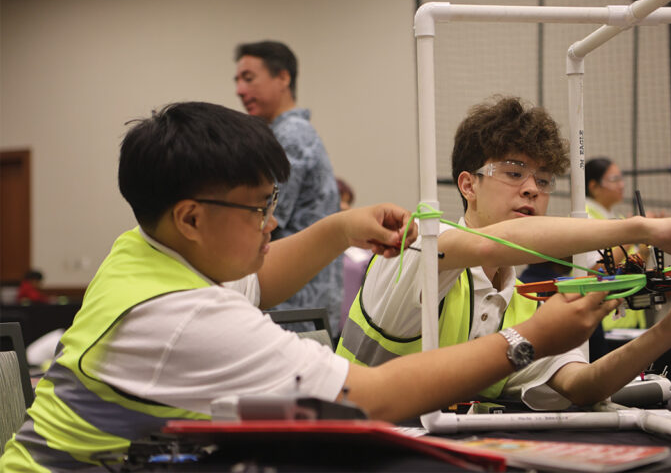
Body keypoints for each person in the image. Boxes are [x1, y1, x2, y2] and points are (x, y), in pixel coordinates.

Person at [1, 101, 620, 471]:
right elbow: (371, 399)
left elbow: (259, 280)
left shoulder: (144, 250)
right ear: (191, 217)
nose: (273, 222)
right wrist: (527, 338)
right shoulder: (184, 316)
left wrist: (338, 227)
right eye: (259, 208)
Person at [337, 96, 671, 410]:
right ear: (468, 185)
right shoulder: (420, 249)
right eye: (514, 173)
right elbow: (492, 242)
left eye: (544, 180)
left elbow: (583, 386)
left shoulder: (526, 298)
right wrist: (644, 228)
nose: (532, 188)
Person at [234, 40, 342, 334]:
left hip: (294, 306)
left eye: (249, 78)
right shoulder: (290, 133)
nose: (240, 90)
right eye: (237, 81)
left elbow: (259, 217)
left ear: (283, 78)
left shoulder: (289, 137)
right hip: (306, 299)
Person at [584, 157, 655, 333]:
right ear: (593, 186)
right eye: (614, 179)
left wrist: (649, 243)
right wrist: (633, 234)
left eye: (621, 179)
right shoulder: (583, 218)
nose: (621, 185)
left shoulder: (620, 220)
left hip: (629, 321)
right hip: (603, 324)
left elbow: (633, 265)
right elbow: (595, 269)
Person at [336, 177, 373, 334]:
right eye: (339, 200)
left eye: (348, 202)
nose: (344, 206)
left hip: (357, 329)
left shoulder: (364, 247)